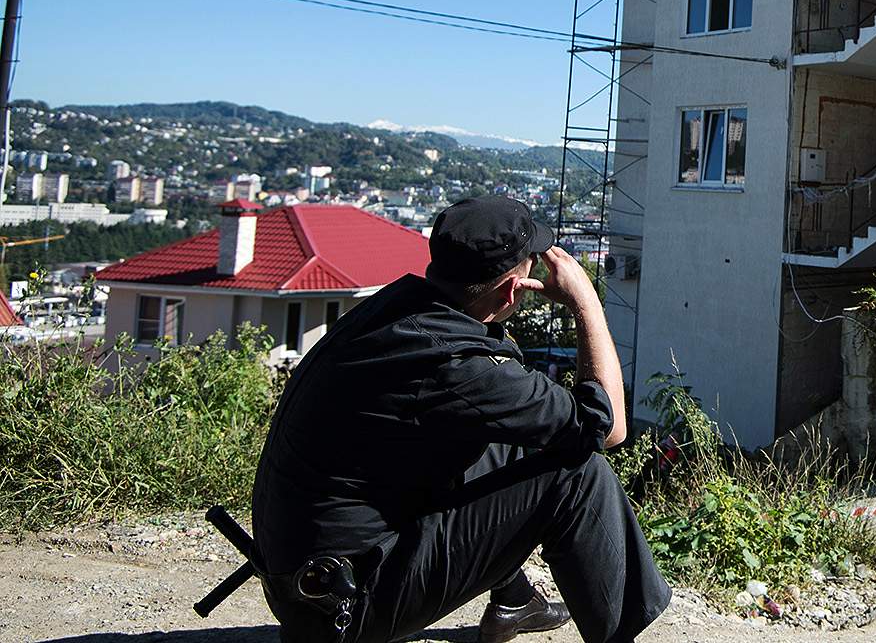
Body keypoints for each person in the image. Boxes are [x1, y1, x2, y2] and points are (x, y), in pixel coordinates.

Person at [251, 195, 670, 642]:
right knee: (578, 469)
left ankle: (515, 600)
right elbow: (607, 430)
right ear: (512, 291)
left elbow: (502, 406)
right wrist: (586, 304)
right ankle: (619, 634)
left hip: (302, 583)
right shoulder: (454, 365)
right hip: (345, 606)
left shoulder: (399, 308)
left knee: (515, 434)